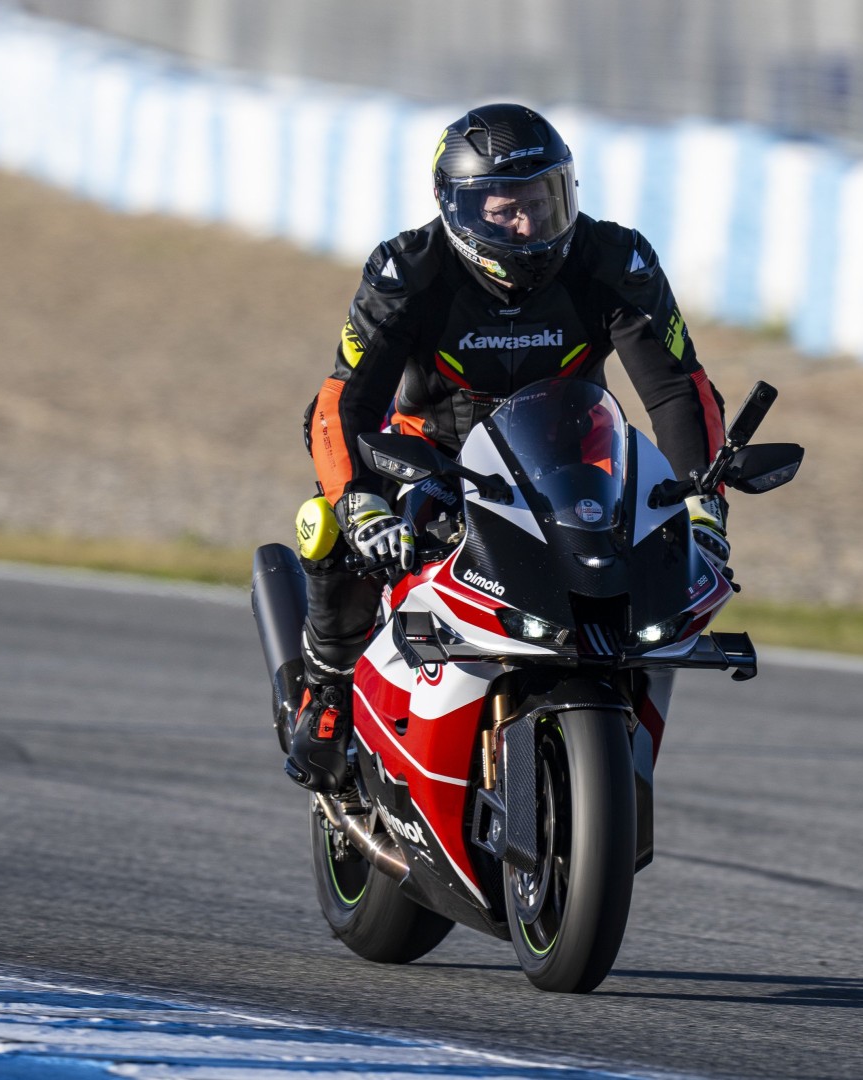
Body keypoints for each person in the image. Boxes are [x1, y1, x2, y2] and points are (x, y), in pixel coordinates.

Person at [285, 103, 729, 792]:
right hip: (435, 462)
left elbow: (678, 389)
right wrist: (361, 505)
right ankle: (331, 687)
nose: (527, 226)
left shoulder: (617, 259)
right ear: (457, 208)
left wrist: (701, 501)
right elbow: (343, 403)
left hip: (570, 467)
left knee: (651, 561)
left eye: (542, 202)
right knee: (329, 525)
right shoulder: (407, 271)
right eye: (504, 210)